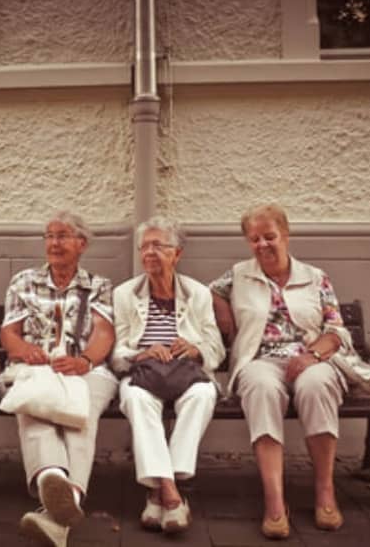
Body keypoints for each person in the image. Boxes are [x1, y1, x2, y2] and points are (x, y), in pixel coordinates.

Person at [210, 204, 354, 540]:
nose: (262, 244)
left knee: (317, 386)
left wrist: (312, 355)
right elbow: (210, 291)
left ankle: (325, 492)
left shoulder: (315, 277)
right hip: (259, 359)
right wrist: (222, 308)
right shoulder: (238, 274)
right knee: (261, 388)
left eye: (269, 236)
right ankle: (274, 501)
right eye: (254, 239)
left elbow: (336, 330)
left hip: (311, 359)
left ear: (286, 235)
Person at [0, 211, 118, 547]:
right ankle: (54, 480)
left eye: (62, 236)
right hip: (35, 366)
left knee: (82, 415)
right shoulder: (24, 281)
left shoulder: (98, 285)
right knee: (33, 408)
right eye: (49, 236)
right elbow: (9, 333)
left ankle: (60, 507)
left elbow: (104, 333)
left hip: (86, 368)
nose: (54, 243)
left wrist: (84, 361)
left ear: (82, 244)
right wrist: (26, 351)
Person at [110, 217, 224, 534]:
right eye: (144, 246)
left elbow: (216, 347)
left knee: (203, 395)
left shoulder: (198, 293)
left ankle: (157, 491)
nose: (149, 252)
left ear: (177, 253)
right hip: (143, 373)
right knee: (136, 399)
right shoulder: (125, 294)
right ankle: (171, 494)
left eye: (158, 245)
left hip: (187, 373)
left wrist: (195, 349)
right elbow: (117, 352)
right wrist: (142, 353)